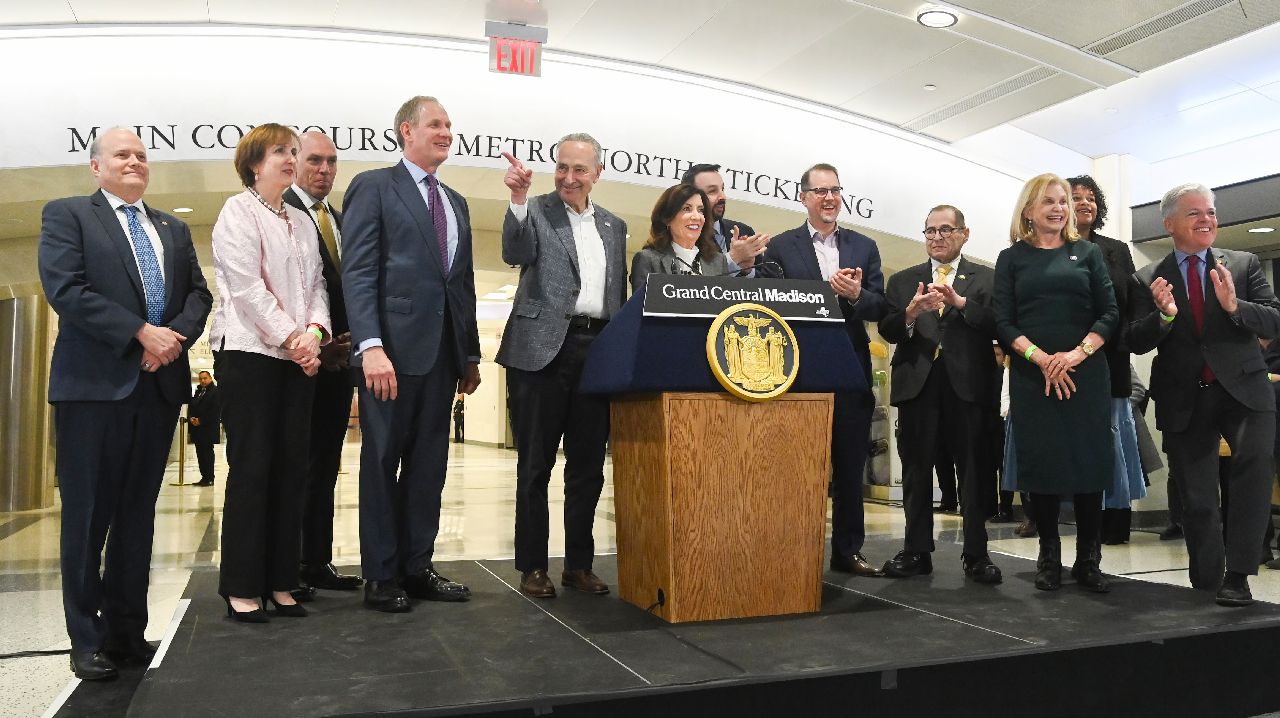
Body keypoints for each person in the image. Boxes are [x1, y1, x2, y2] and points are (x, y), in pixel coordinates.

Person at [39, 127, 213, 678]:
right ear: (96, 167)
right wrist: (141, 332)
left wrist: (172, 340)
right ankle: (85, 639)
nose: (134, 161)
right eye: (122, 154)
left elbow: (198, 295)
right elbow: (66, 288)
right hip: (93, 389)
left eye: (141, 155)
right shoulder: (68, 215)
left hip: (157, 387)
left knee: (137, 518)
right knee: (88, 517)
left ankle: (127, 632)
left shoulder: (173, 227)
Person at [343, 96, 481, 612]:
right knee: (381, 462)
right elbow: (358, 271)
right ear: (407, 131)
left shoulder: (457, 202)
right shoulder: (375, 187)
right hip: (390, 357)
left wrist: (468, 354)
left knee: (429, 466)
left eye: (449, 124)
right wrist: (370, 345)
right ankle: (381, 575)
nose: (446, 132)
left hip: (442, 358)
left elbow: (460, 285)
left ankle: (417, 566)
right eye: (436, 124)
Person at [1128, 182, 1280, 607]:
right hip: (1184, 395)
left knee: (1252, 476)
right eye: (1195, 213)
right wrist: (1162, 316)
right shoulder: (1146, 277)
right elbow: (1134, 340)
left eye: (1211, 212)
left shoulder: (1244, 263)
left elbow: (1275, 321)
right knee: (1196, 498)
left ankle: (1240, 576)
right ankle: (1208, 579)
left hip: (1246, 390)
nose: (1207, 219)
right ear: (1170, 223)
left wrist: (1236, 308)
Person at [499, 135, 628, 598]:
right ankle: (533, 565)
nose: (568, 178)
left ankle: (579, 565)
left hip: (598, 352)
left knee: (588, 466)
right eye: (562, 168)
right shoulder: (534, 209)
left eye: (579, 170)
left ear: (597, 173)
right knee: (535, 465)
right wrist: (516, 198)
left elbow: (619, 295)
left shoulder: (615, 225)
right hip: (540, 351)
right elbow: (514, 253)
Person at [210, 123, 329, 622]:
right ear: (254, 162)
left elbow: (318, 284)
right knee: (253, 469)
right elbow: (246, 288)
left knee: (290, 471)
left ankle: (282, 581)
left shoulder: (301, 221)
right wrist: (293, 337)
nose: (291, 158)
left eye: (294, 152)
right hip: (249, 354)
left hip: (296, 357)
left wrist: (316, 333)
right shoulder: (236, 212)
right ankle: (242, 586)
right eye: (281, 151)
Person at [758, 163, 888, 577]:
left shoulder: (864, 246)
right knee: (796, 467)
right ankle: (791, 549)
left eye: (835, 190)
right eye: (820, 191)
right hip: (798, 373)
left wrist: (855, 296)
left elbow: (881, 307)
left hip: (850, 371)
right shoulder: (780, 247)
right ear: (804, 197)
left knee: (849, 467)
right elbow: (770, 303)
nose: (829, 197)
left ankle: (848, 551)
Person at [994, 173, 1118, 594]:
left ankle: (1089, 559)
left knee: (1088, 465)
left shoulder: (1087, 253)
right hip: (1035, 377)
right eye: (1048, 200)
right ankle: (1049, 557)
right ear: (1029, 209)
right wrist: (1042, 359)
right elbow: (1003, 321)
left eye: (1062, 200)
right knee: (1042, 466)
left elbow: (1110, 313)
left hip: (1085, 376)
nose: (1058, 207)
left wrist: (1075, 355)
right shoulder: (1011, 258)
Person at [879, 205, 1001, 583]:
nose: (937, 237)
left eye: (946, 230)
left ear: (965, 234)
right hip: (918, 387)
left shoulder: (988, 279)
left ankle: (977, 554)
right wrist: (911, 315)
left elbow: (999, 325)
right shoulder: (902, 281)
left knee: (974, 472)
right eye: (930, 231)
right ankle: (917, 550)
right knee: (916, 471)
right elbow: (887, 329)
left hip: (969, 387)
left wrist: (961, 304)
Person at [282, 131, 363, 593]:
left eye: (332, 161)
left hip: (338, 365)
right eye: (315, 160)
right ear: (294, 161)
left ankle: (315, 560)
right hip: (298, 363)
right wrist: (318, 344)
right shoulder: (281, 213)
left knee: (325, 464)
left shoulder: (339, 217)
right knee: (295, 466)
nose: (325, 170)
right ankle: (286, 566)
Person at [1067, 175, 1147, 546]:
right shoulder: (1048, 248)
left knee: (1113, 442)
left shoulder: (1116, 249)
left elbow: (1129, 304)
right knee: (1075, 444)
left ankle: (1115, 524)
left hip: (1110, 359)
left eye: (1091, 198)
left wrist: (1124, 341)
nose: (1085, 203)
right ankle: (1075, 523)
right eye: (1076, 197)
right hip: (1063, 361)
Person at [629, 184, 731, 291]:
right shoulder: (648, 260)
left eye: (701, 210)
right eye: (687, 209)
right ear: (667, 218)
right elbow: (643, 306)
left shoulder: (719, 261)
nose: (696, 216)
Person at [681, 164, 770, 274]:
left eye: (722, 189)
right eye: (712, 191)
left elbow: (762, 284)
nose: (723, 196)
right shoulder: (684, 235)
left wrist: (747, 271)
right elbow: (689, 283)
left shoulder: (744, 231)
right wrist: (733, 258)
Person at [188, 371, 221, 487]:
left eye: (205, 378)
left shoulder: (214, 391)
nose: (203, 381)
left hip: (208, 429)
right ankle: (204, 477)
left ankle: (210, 477)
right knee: (200, 454)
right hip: (198, 430)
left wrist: (201, 420)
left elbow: (215, 410)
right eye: (201, 379)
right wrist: (191, 418)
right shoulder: (198, 391)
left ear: (210, 378)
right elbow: (192, 406)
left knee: (207, 454)